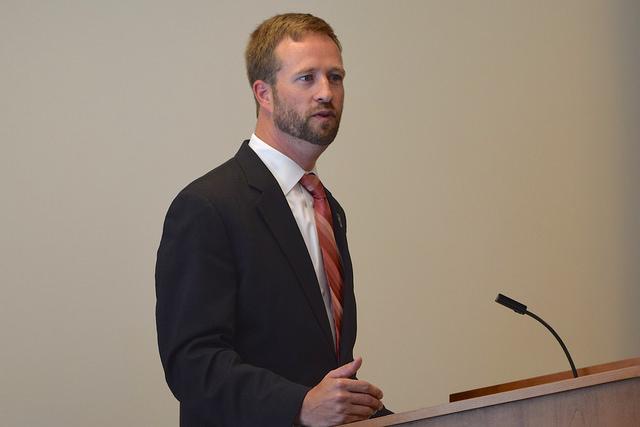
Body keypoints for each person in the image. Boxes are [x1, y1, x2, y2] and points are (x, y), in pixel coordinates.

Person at [155, 13, 390, 426]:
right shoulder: (207, 206)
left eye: (335, 77)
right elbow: (192, 363)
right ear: (263, 93)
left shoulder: (327, 208)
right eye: (307, 78)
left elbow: (316, 365)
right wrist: (298, 406)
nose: (326, 93)